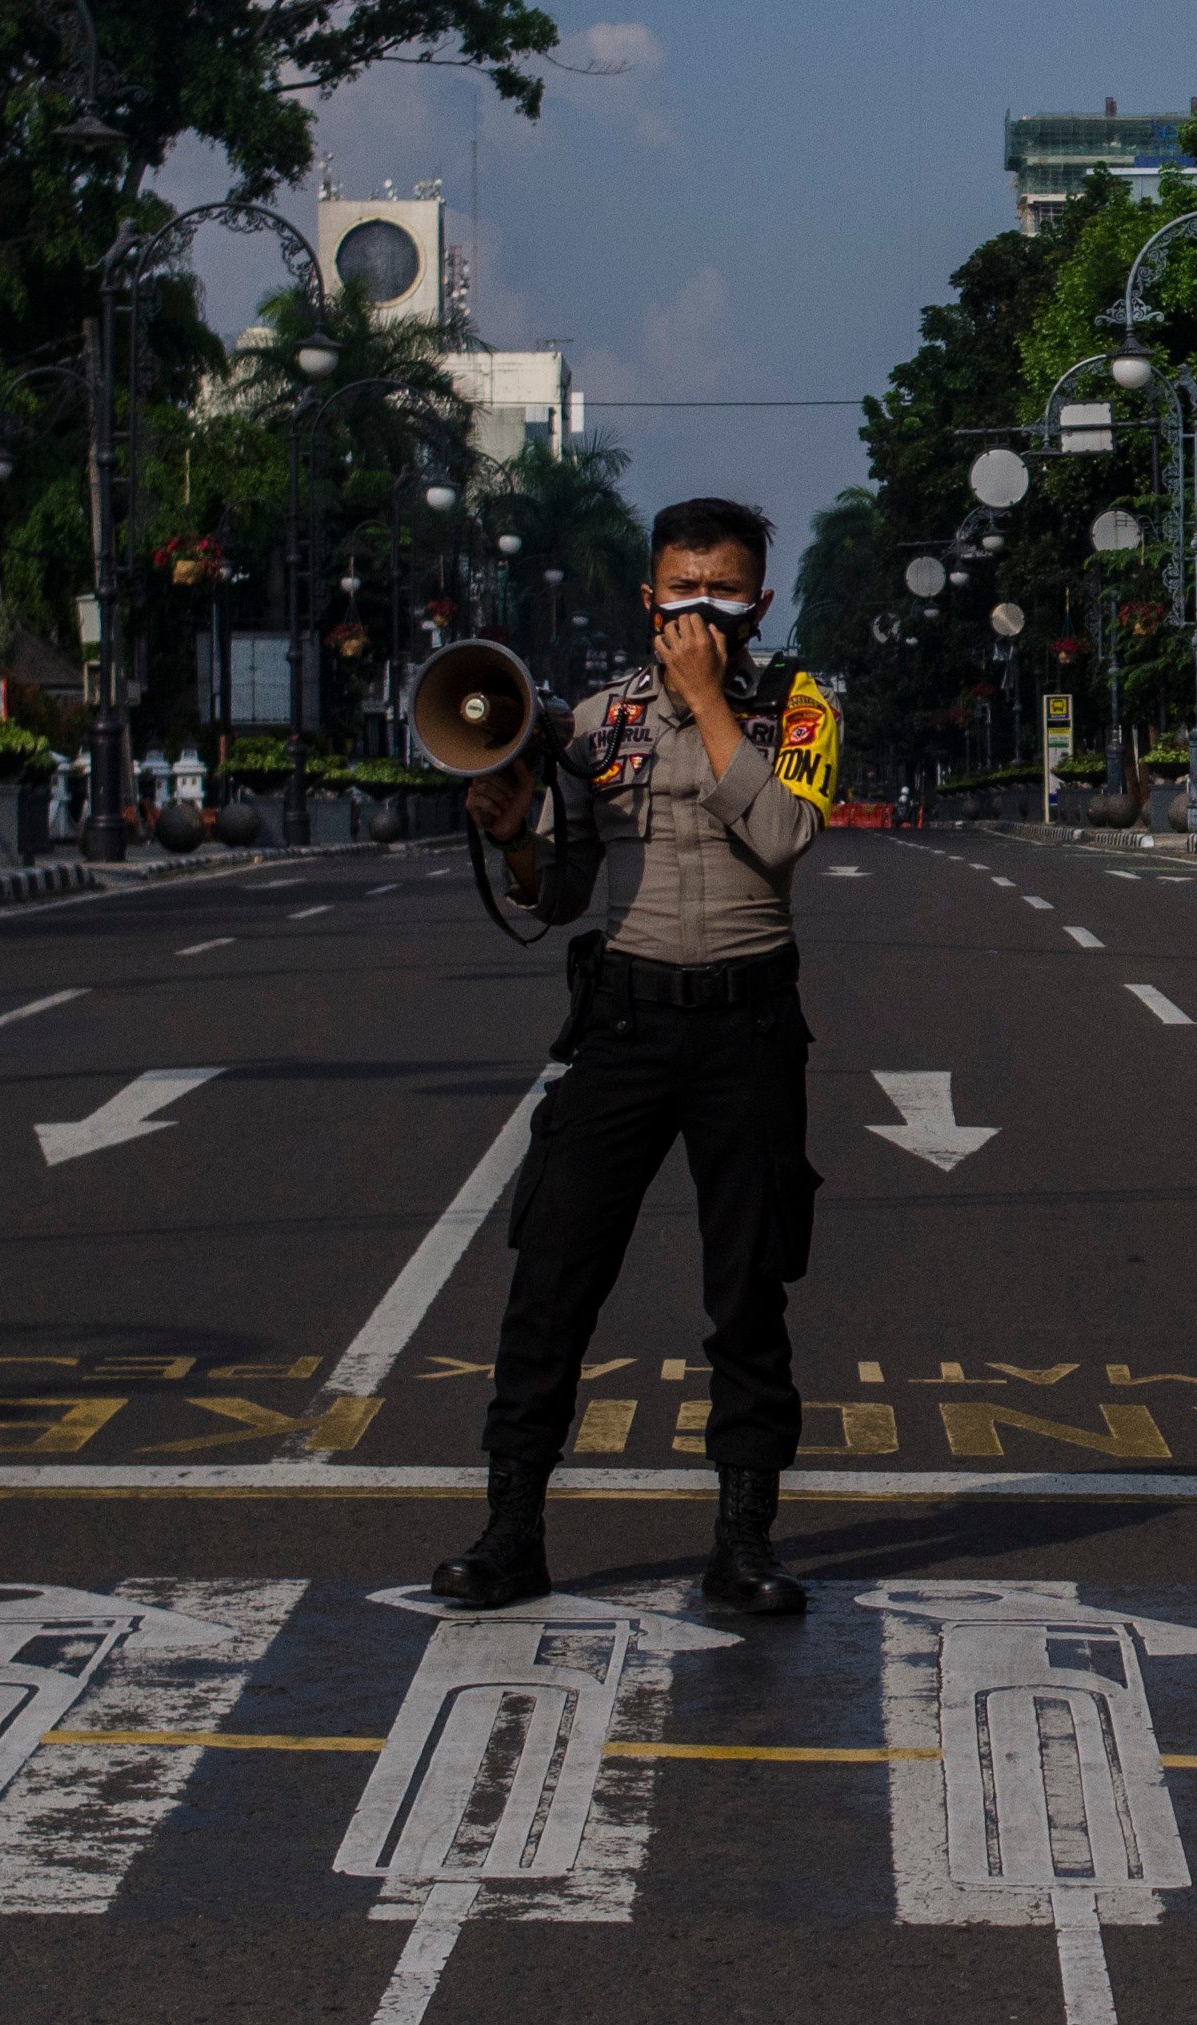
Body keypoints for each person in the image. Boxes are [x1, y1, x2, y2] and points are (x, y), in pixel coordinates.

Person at [433, 497, 842, 1616]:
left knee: (747, 1291)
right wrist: (514, 830)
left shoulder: (798, 710)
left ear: (757, 602)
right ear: (647, 597)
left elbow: (783, 838)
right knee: (551, 1279)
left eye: (720, 593)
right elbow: (555, 895)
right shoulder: (593, 721)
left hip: (749, 1025)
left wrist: (710, 706)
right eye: (678, 592)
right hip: (623, 1022)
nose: (696, 612)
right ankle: (509, 1531)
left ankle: (744, 1544)